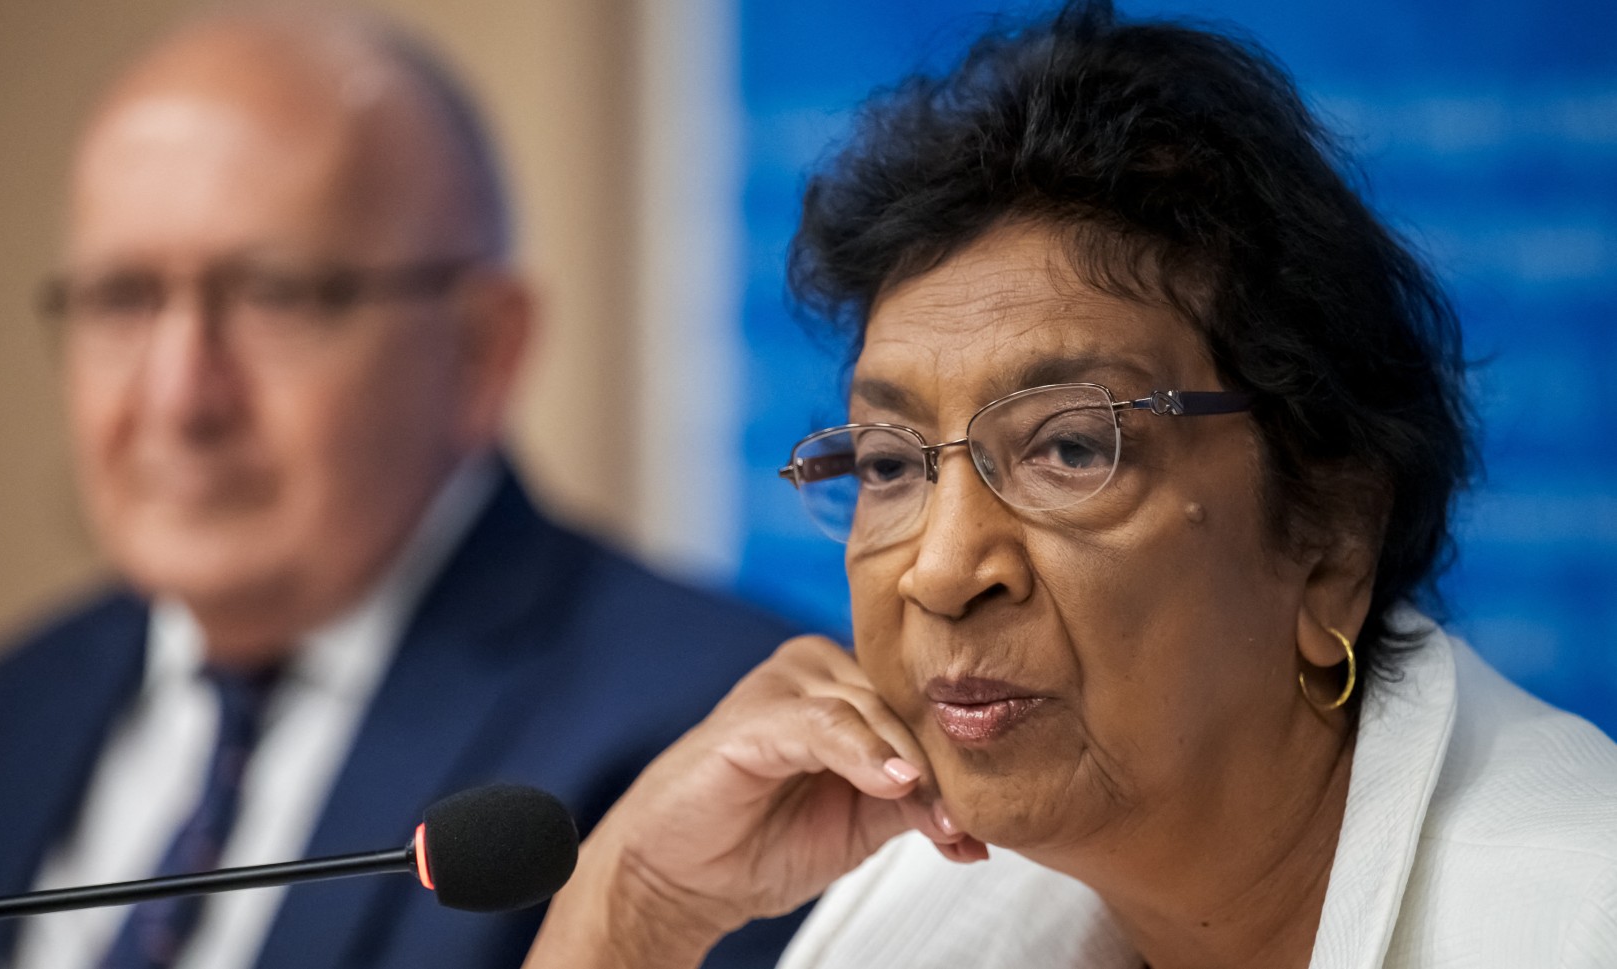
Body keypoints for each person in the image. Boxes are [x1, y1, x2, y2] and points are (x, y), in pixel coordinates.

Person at [519, 3, 1617, 967]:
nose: (945, 571)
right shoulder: (924, 903)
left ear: (1329, 536)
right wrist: (638, 911)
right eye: (892, 463)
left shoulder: (1576, 918)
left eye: (1069, 449)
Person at [0, 11, 805, 969]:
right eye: (123, 299)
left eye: (274, 296)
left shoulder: (712, 748)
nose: (178, 396)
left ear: (484, 349)